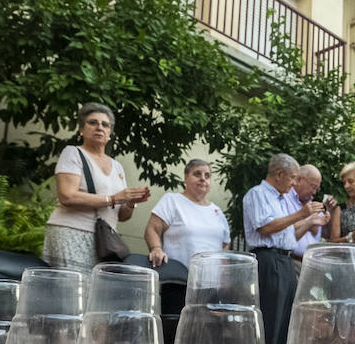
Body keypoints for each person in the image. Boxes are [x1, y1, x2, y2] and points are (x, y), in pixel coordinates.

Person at [43, 103, 150, 274]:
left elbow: (122, 216)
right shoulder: (73, 153)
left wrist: (130, 202)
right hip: (72, 232)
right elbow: (67, 196)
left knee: (95, 293)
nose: (99, 127)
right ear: (81, 129)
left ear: (110, 133)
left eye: (105, 124)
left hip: (105, 241)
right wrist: (114, 199)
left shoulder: (117, 166)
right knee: (74, 291)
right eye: (92, 122)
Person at [243, 153, 325, 344]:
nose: (295, 183)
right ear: (279, 174)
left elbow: (289, 235)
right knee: (271, 313)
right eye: (293, 177)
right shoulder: (258, 194)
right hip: (268, 259)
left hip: (285, 261)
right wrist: (300, 214)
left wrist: (310, 221)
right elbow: (265, 227)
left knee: (286, 315)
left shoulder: (281, 200)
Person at [144, 158, 229, 269]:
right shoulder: (172, 201)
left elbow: (225, 244)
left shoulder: (217, 212)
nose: (203, 179)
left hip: (213, 282)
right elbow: (152, 229)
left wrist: (225, 273)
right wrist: (156, 249)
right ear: (186, 177)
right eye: (197, 174)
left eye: (207, 176)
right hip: (179, 278)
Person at [287, 163, 335, 272]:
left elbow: (325, 235)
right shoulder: (285, 199)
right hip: (292, 261)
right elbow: (282, 228)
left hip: (311, 264)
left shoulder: (313, 205)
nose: (314, 192)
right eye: (313, 187)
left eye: (317, 189)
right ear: (300, 180)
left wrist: (329, 211)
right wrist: (308, 222)